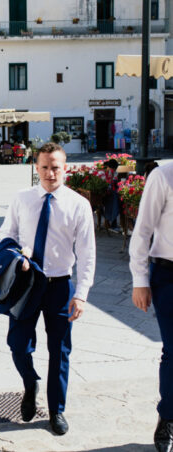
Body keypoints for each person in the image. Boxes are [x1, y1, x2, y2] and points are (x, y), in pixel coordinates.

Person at [0, 142, 95, 435]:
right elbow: (6, 234)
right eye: (45, 167)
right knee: (17, 343)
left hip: (60, 285)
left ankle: (57, 410)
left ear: (64, 168)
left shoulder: (78, 204)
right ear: (36, 167)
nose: (50, 173)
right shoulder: (22, 199)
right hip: (27, 283)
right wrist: (19, 254)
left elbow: (88, 253)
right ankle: (30, 382)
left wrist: (81, 294)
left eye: (56, 167)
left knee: (60, 350)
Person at [129, 161, 173, 452]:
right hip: (169, 275)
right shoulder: (164, 175)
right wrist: (140, 279)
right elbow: (142, 230)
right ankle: (168, 416)